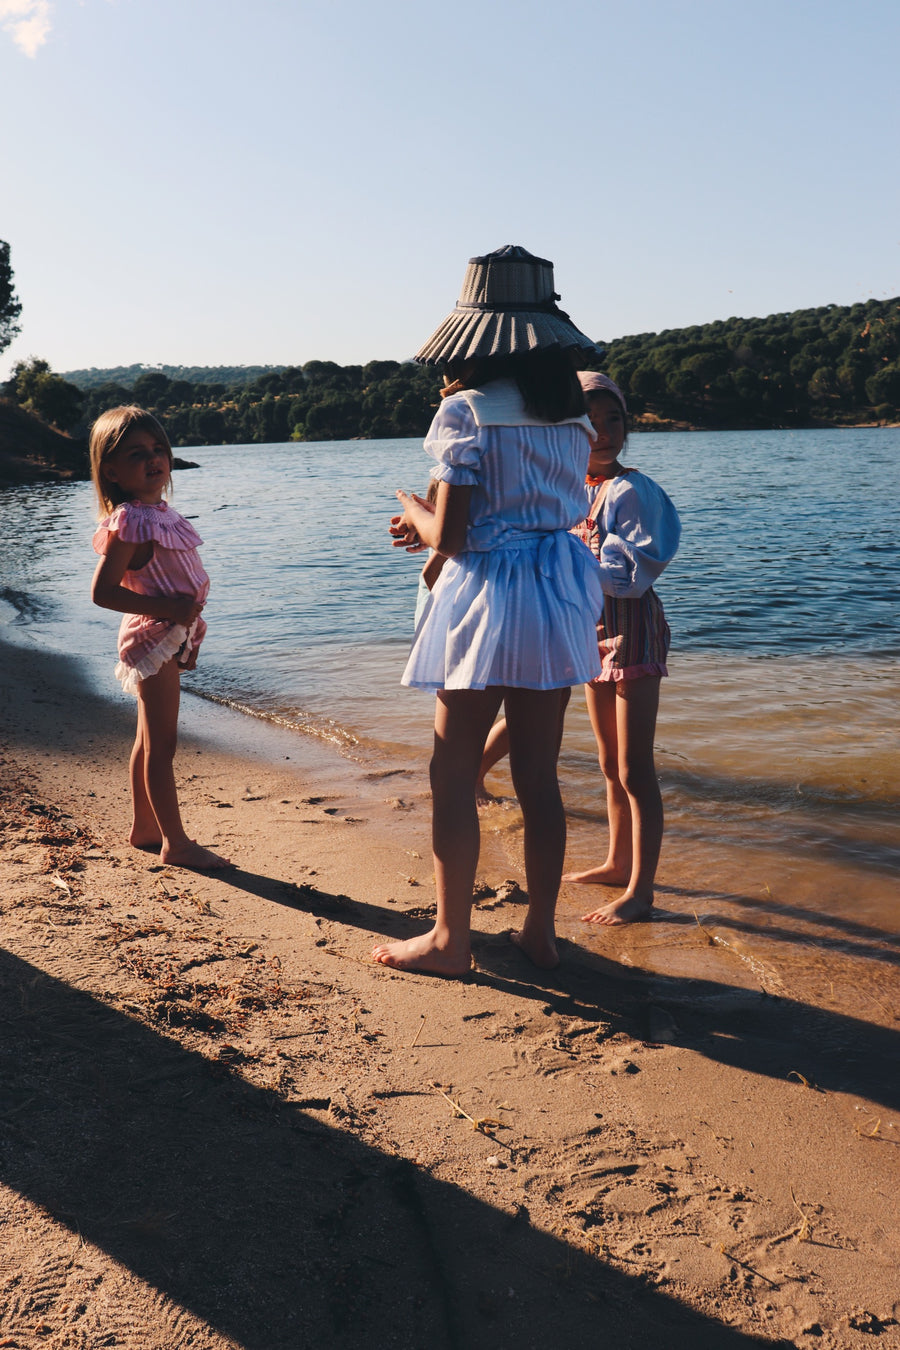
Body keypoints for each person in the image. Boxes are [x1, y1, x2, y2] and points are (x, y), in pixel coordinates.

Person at [373, 245, 605, 976]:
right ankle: (540, 932)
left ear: (472, 339)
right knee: (539, 775)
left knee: (452, 772)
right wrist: (437, 521)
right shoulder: (573, 417)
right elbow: (535, 512)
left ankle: (450, 939)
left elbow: (462, 534)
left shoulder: (465, 411)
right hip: (554, 589)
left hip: (485, 598)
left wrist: (416, 511)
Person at [562, 372, 680, 923]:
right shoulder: (572, 488)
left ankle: (642, 892)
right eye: (589, 421)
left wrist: (570, 558)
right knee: (609, 764)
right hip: (592, 631)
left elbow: (631, 577)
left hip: (631, 629)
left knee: (636, 770)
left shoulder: (631, 490)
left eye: (614, 420)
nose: (603, 432)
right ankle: (616, 861)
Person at [89, 405, 230, 869]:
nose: (154, 460)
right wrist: (170, 612)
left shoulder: (159, 514)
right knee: (161, 746)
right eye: (136, 454)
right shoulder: (131, 520)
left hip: (168, 635)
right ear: (111, 470)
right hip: (152, 638)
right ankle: (176, 842)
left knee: (145, 738)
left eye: (158, 449)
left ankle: (145, 827)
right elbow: (103, 592)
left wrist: (185, 631)